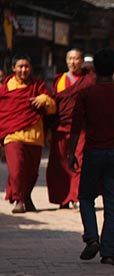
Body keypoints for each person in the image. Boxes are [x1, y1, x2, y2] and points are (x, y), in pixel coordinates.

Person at [68, 48, 114, 266]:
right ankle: (108, 252)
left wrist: (71, 153)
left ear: (95, 69)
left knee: (86, 197)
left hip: (93, 152)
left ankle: (91, 237)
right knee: (113, 204)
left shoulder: (86, 94)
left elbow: (76, 127)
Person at [0, 53, 56, 213]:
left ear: (31, 69)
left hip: (34, 136)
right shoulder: (6, 87)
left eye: (26, 66)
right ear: (13, 68)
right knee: (16, 170)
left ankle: (27, 196)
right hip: (13, 136)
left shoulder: (38, 86)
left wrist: (44, 99)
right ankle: (19, 200)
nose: (23, 70)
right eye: (20, 66)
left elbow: (53, 108)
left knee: (32, 173)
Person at [47, 48, 95, 210]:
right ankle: (63, 198)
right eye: (70, 59)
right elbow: (54, 103)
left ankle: (77, 196)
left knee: (80, 161)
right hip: (61, 126)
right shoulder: (59, 80)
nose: (73, 62)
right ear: (66, 61)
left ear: (82, 61)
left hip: (81, 128)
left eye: (77, 59)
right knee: (59, 163)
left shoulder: (88, 80)